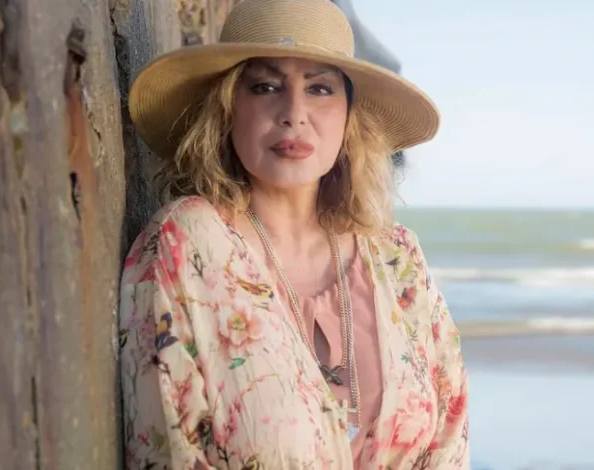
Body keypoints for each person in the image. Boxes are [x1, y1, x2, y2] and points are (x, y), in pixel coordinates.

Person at [118, 0, 469, 468]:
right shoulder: (186, 243)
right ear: (228, 107)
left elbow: (450, 436)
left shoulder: (398, 258)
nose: (294, 114)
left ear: (348, 116)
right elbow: (167, 447)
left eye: (320, 88)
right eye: (265, 87)